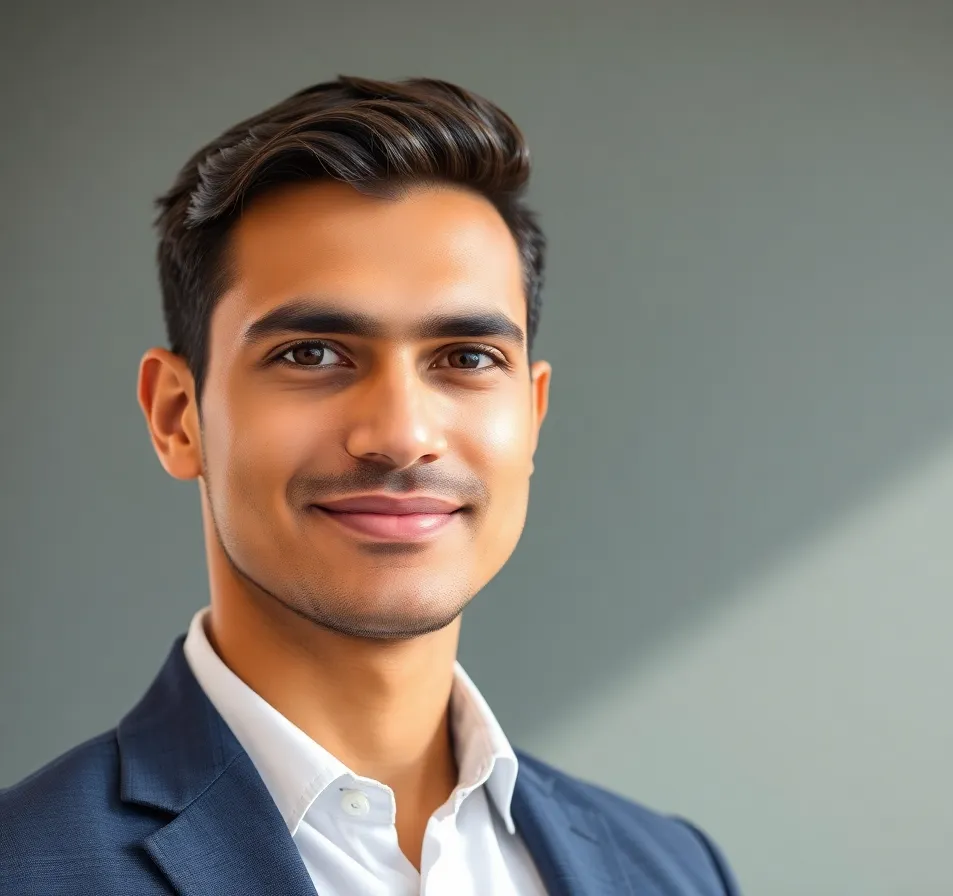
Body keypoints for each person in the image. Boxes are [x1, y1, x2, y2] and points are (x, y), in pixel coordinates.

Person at [0, 75, 739, 895]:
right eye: (312, 353)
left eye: (465, 358)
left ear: (531, 418)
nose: (401, 436)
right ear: (178, 416)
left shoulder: (674, 872)